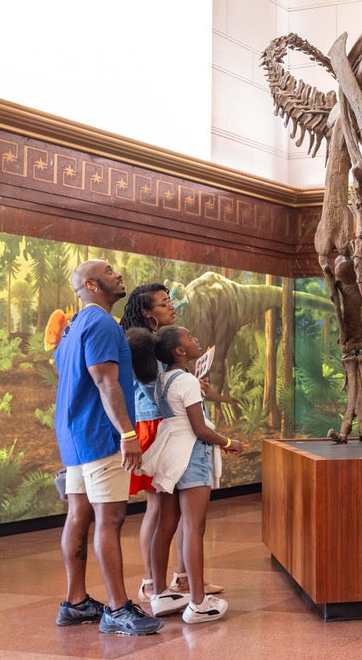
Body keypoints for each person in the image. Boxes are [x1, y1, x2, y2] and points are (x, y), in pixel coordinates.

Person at [53, 259, 162, 636]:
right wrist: (128, 434)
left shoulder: (73, 327)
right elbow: (105, 382)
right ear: (91, 285)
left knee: (78, 516)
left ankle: (75, 602)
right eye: (109, 270)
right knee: (109, 519)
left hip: (74, 437)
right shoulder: (100, 322)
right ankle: (117, 608)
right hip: (100, 435)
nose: (118, 273)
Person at [120, 284, 217, 604]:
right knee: (159, 509)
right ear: (148, 313)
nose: (171, 306)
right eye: (163, 303)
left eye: (170, 301)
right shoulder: (142, 344)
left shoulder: (160, 342)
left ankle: (182, 577)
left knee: (175, 511)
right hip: (155, 424)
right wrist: (185, 393)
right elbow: (154, 391)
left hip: (169, 424)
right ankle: (151, 583)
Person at [140, 325, 243, 625]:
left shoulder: (163, 379)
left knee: (165, 525)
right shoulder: (186, 381)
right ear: (180, 351)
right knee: (193, 528)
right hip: (191, 455)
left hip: (168, 452)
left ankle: (160, 594)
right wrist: (228, 442)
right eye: (189, 338)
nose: (195, 340)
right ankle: (198, 602)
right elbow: (200, 429)